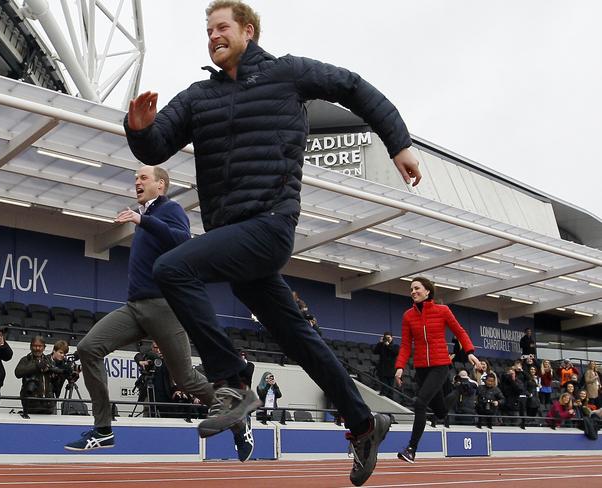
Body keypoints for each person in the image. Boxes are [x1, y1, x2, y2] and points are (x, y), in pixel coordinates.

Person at [124, 1, 421, 484]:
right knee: (297, 338)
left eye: (222, 27)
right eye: (208, 30)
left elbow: (352, 86)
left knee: (172, 268)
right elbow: (156, 146)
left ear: (248, 30)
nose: (213, 36)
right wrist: (137, 127)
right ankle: (365, 422)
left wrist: (398, 142)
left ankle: (231, 380)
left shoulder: (287, 74)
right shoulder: (199, 96)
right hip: (232, 236)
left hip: (269, 224)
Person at [64, 166, 224, 453]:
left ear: (160, 185)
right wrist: (143, 220)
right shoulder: (147, 216)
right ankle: (102, 430)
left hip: (164, 307)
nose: (136, 181)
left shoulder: (170, 209)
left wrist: (142, 220)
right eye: (135, 178)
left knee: (185, 378)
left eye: (143, 178)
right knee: (88, 348)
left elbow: (181, 241)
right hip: (135, 307)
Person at [394, 277, 481, 463]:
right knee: (440, 412)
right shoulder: (408, 316)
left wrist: (470, 352)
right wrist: (400, 367)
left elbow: (460, 332)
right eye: (411, 289)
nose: (413, 292)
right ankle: (462, 388)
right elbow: (405, 346)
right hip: (421, 369)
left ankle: (411, 449)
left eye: (417, 288)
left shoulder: (442, 311)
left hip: (440, 365)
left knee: (420, 403)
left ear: (427, 291)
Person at [14, 336, 63, 415]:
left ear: (44, 347)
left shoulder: (48, 360)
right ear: (30, 346)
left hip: (48, 403)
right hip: (31, 403)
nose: (37, 348)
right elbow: (18, 373)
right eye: (35, 346)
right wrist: (36, 367)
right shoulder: (26, 359)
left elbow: (55, 379)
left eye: (40, 346)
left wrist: (55, 374)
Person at [372, 331, 399, 398]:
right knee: (384, 386)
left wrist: (388, 344)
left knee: (390, 387)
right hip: (382, 370)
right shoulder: (381, 346)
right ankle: (383, 395)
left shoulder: (396, 346)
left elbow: (395, 352)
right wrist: (380, 343)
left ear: (392, 338)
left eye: (388, 337)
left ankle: (390, 399)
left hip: (391, 371)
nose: (387, 339)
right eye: (386, 338)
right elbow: (375, 351)